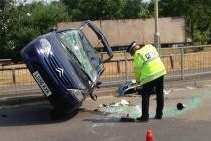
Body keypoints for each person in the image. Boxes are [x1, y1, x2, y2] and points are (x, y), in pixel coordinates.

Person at [126, 41, 166, 122]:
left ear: (133, 51)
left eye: (131, 53)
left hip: (149, 76)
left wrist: (138, 81)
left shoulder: (138, 55)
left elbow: (137, 70)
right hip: (160, 71)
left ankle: (145, 117)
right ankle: (159, 115)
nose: (132, 55)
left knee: (145, 96)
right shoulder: (149, 46)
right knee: (160, 94)